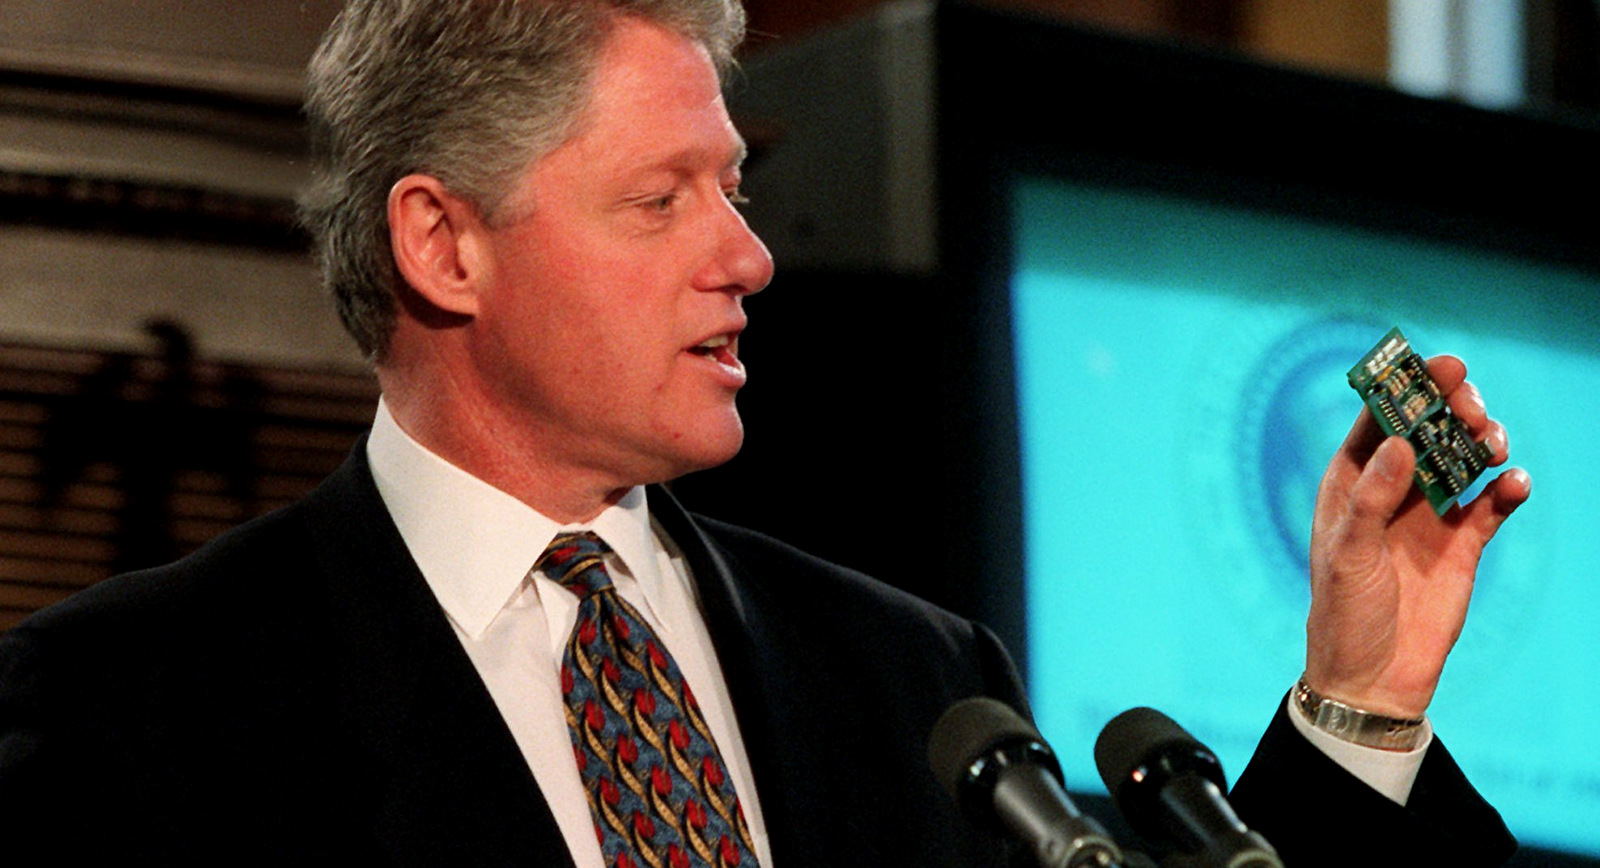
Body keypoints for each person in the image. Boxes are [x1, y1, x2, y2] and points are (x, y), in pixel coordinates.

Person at [0, 1, 1531, 865]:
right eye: (664, 200)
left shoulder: (918, 683)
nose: (747, 256)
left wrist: (1359, 699)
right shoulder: (128, 709)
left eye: (736, 189)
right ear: (442, 246)